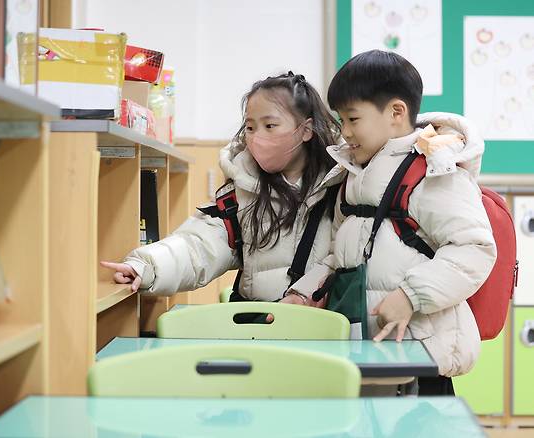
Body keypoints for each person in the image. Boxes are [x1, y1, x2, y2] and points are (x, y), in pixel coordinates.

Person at [312, 49, 496, 395]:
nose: (345, 133)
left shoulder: (433, 171)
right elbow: (338, 256)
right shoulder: (352, 176)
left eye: (353, 119)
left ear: (396, 112)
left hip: (421, 356)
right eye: (340, 121)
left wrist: (411, 296)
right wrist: (304, 293)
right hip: (369, 354)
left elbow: (475, 248)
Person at [101, 72, 340, 305]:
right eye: (250, 127)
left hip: (323, 329)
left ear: (306, 130)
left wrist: (306, 294)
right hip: (261, 329)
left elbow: (347, 256)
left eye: (270, 125)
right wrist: (147, 266)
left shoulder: (341, 187)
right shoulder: (242, 192)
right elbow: (199, 245)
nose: (257, 137)